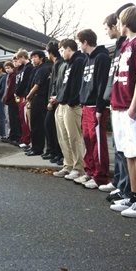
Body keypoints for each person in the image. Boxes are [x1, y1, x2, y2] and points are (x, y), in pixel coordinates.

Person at [107, 6, 136, 217]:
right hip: (119, 105)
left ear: (125, 23)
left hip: (131, 107)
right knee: (128, 153)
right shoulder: (125, 44)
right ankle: (133, 196)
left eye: (119, 21)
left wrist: (134, 106)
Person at [101, 6, 133, 202]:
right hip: (115, 102)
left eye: (107, 27)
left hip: (126, 105)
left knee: (126, 150)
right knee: (119, 147)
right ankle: (120, 182)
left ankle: (126, 188)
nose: (107, 31)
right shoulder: (120, 47)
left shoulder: (132, 44)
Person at [74, 29, 111, 189]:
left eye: (79, 43)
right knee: (88, 141)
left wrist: (100, 107)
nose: (78, 46)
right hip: (86, 106)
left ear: (85, 42)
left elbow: (103, 83)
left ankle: (100, 176)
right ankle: (90, 171)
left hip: (96, 106)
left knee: (98, 143)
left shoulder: (102, 57)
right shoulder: (87, 60)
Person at [52, 39, 86, 179]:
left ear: (68, 49)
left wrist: (72, 101)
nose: (60, 53)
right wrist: (58, 98)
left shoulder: (79, 61)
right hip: (62, 104)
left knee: (74, 137)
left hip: (72, 105)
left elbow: (76, 84)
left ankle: (78, 167)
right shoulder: (68, 63)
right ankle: (68, 164)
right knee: (63, 137)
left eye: (61, 50)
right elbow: (64, 85)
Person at [24, 50, 50, 156]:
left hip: (39, 99)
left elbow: (37, 84)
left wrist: (29, 95)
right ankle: (34, 146)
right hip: (34, 98)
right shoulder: (35, 69)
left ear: (41, 58)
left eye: (35, 57)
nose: (33, 59)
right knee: (33, 124)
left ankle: (38, 148)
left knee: (38, 124)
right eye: (32, 57)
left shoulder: (43, 69)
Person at [43, 41, 64, 164]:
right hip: (53, 100)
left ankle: (57, 152)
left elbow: (56, 84)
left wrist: (51, 101)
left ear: (50, 52)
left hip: (55, 101)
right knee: (49, 126)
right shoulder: (57, 63)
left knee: (53, 127)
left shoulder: (58, 64)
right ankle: (53, 151)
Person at [15, 49, 34, 148]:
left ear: (23, 57)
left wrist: (18, 92)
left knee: (26, 119)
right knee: (22, 118)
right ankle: (24, 138)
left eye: (19, 58)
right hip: (21, 96)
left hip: (25, 96)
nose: (18, 60)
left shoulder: (29, 68)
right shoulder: (23, 68)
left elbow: (25, 82)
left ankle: (27, 140)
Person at [2, 60, 22, 144]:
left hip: (12, 101)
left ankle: (15, 136)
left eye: (8, 68)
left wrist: (6, 99)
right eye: (6, 68)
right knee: (11, 119)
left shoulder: (13, 76)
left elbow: (10, 89)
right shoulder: (10, 75)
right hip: (10, 101)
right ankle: (12, 136)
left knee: (14, 119)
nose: (7, 70)